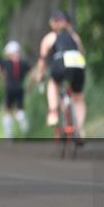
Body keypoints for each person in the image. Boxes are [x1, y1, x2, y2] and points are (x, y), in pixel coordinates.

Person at [37, 11, 87, 144]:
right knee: (78, 97)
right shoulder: (74, 36)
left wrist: (40, 76)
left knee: (53, 83)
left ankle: (53, 112)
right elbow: (82, 52)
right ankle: (80, 130)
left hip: (61, 62)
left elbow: (42, 61)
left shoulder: (50, 37)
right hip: (78, 63)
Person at [0, 41, 31, 139]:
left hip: (9, 88)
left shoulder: (5, 63)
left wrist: (3, 82)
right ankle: (22, 120)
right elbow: (32, 74)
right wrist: (31, 85)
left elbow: (1, 74)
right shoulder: (23, 63)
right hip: (20, 88)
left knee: (7, 110)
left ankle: (9, 134)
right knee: (19, 109)